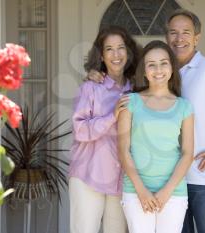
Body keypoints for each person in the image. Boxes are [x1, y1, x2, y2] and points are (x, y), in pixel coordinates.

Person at [88, 9, 205, 233]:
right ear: (167, 37)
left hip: (203, 178)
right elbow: (119, 71)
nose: (179, 38)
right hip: (164, 180)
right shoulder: (159, 69)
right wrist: (96, 74)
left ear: (197, 37)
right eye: (173, 32)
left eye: (186, 32)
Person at [118, 40, 194, 233]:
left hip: (173, 192)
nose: (158, 69)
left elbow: (187, 153)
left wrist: (166, 192)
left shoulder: (184, 106)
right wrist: (142, 191)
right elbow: (123, 149)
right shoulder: (130, 102)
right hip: (136, 191)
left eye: (164, 63)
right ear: (144, 71)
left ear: (172, 67)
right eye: (151, 64)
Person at [68, 25, 139, 233]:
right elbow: (80, 130)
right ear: (101, 55)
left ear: (129, 52)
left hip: (121, 179)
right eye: (109, 49)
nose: (116, 55)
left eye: (121, 48)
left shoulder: (137, 90)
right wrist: (112, 116)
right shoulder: (90, 88)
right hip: (88, 176)